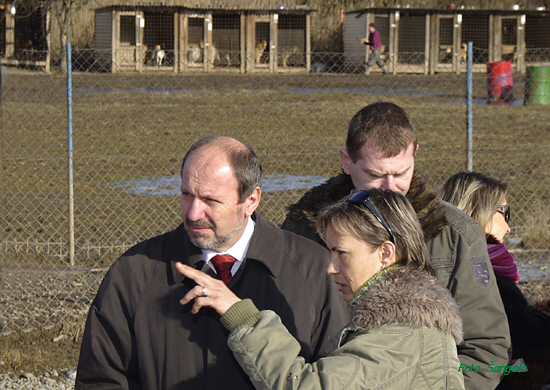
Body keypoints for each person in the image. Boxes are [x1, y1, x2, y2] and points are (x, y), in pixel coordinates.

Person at [75, 136, 349, 389]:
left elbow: (336, 376)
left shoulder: (315, 270)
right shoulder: (134, 272)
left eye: (210, 200)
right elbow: (101, 378)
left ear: (251, 200)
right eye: (186, 195)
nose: (194, 213)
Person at [280, 102, 511, 389]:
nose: (389, 187)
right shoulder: (304, 228)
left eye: (401, 173)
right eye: (375, 174)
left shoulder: (456, 234)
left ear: (416, 153)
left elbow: (487, 349)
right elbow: (285, 329)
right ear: (346, 160)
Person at [177, 189, 465, 389]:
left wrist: (243, 318)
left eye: (342, 253)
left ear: (385, 254)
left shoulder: (403, 335)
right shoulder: (402, 324)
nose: (330, 267)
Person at [439, 171, 550, 386]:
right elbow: (525, 337)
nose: (509, 228)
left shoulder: (444, 261)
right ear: (481, 211)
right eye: (505, 213)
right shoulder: (484, 274)